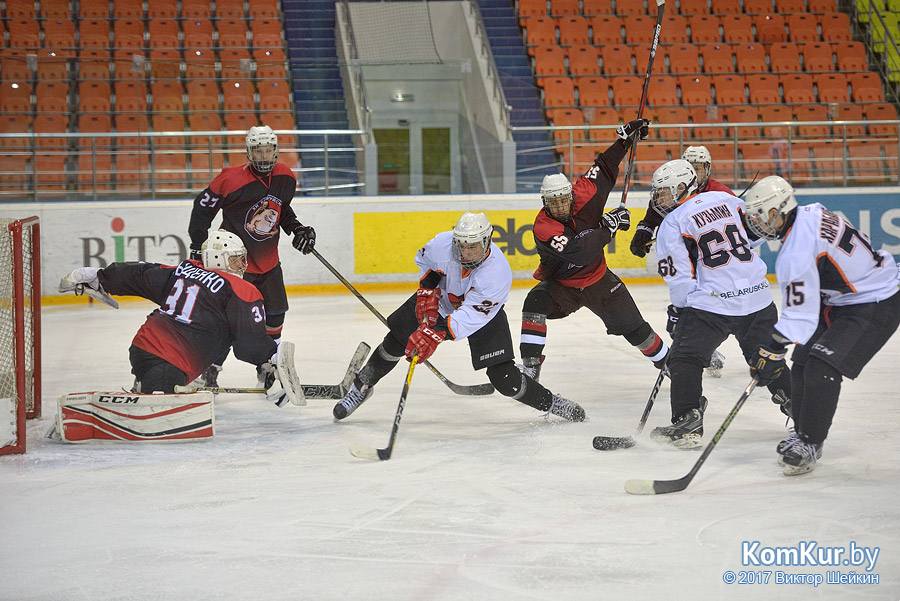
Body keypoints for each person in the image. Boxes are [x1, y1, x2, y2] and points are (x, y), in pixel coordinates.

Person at [333, 212, 586, 423]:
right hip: (442, 299)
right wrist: (427, 290)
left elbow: (470, 317)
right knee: (395, 342)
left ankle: (552, 403)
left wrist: (435, 333)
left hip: (482, 315)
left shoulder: (497, 273)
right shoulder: (443, 244)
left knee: (505, 380)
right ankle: (362, 386)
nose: (465, 252)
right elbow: (426, 262)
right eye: (462, 245)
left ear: (487, 241)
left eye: (473, 246)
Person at [743, 176, 900, 475]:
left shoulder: (795, 251)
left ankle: (810, 443)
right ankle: (802, 432)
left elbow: (800, 317)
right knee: (801, 362)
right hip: (844, 298)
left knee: (821, 367)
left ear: (777, 211)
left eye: (760, 215)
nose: (756, 224)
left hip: (874, 302)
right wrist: (776, 350)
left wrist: (772, 348)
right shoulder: (811, 211)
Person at [648, 160, 792, 448]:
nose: (658, 199)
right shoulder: (728, 199)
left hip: (711, 305)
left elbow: (678, 278)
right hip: (758, 297)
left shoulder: (673, 223)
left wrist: (679, 311)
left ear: (681, 187)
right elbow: (754, 237)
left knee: (685, 359)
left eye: (663, 192)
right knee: (767, 359)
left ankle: (687, 419)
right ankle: (801, 408)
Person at [57, 231, 292, 404]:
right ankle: (151, 391)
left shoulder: (184, 270)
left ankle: (149, 385)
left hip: (143, 348)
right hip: (170, 360)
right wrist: (270, 363)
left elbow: (141, 274)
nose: (242, 264)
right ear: (218, 259)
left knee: (217, 330)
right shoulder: (240, 290)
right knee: (158, 404)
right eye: (235, 258)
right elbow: (248, 345)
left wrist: (98, 276)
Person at [518, 118, 670, 383]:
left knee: (636, 330)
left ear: (571, 195)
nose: (561, 207)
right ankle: (531, 365)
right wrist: (609, 227)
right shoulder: (544, 226)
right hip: (563, 286)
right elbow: (579, 253)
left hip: (599, 280)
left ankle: (672, 365)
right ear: (544, 204)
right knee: (534, 302)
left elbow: (605, 166)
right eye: (554, 203)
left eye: (564, 199)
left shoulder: (584, 193)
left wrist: (625, 140)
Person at [187, 125, 316, 387]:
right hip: (235, 265)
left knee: (276, 313)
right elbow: (201, 209)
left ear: (276, 151)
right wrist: (197, 245)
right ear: (248, 153)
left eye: (268, 151)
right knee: (229, 320)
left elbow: (282, 211)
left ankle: (268, 366)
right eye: (258, 152)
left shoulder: (285, 177)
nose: (264, 157)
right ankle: (210, 368)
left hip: (268, 263)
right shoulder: (230, 179)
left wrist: (297, 230)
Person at [631, 144, 730, 377]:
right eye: (691, 167)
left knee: (703, 313)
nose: (697, 171)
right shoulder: (671, 190)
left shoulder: (720, 194)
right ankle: (703, 350)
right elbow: (652, 215)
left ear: (707, 168)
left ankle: (706, 347)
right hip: (689, 264)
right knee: (684, 313)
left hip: (714, 266)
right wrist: (642, 232)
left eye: (699, 167)